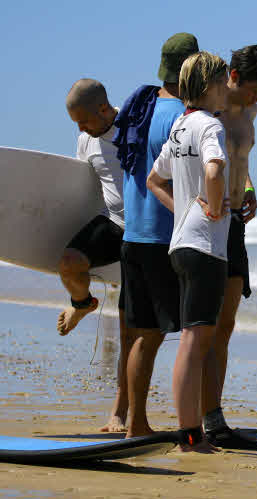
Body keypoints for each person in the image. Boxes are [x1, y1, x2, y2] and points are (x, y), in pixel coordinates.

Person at [111, 32, 198, 438]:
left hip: (133, 235)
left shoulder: (142, 111)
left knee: (141, 333)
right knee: (152, 336)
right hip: (162, 236)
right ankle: (142, 424)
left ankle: (135, 420)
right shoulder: (182, 117)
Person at [147, 51, 230, 453]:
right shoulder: (210, 125)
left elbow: (153, 180)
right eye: (223, 83)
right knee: (195, 343)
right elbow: (214, 170)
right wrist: (213, 208)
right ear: (211, 86)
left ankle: (189, 433)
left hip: (181, 243)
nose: (228, 90)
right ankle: (190, 436)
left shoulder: (180, 127)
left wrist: (184, 207)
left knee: (190, 341)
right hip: (204, 247)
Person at [199, 44, 257, 451]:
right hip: (204, 221)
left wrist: (247, 188)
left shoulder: (250, 112)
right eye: (253, 88)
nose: (256, 97)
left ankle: (214, 418)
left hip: (234, 223)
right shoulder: (207, 107)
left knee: (225, 327)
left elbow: (240, 163)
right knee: (203, 326)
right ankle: (198, 417)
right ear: (232, 74)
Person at [61, 78, 133, 433]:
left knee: (127, 327)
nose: (81, 129)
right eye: (75, 123)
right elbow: (84, 191)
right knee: (70, 262)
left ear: (104, 109)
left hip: (145, 232)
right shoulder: (85, 140)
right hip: (113, 224)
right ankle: (83, 302)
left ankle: (119, 412)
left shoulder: (136, 125)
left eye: (84, 120)